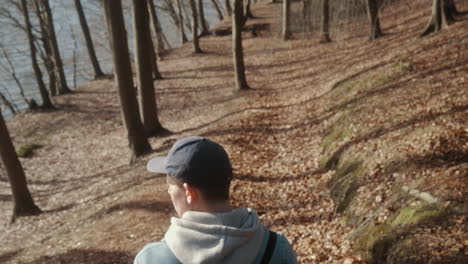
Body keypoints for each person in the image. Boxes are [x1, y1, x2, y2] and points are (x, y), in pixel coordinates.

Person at [134, 136, 298, 264]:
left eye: (171, 185)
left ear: (189, 192)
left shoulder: (152, 259)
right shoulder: (277, 248)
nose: (169, 190)